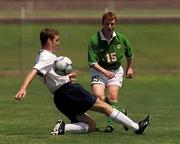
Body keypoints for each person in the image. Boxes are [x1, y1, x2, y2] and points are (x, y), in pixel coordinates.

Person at [15, 28, 150, 135]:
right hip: (69, 91)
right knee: (105, 107)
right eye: (56, 40)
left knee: (91, 125)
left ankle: (63, 128)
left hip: (59, 98)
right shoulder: (47, 57)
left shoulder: (39, 56)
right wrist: (23, 88)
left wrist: (66, 77)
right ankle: (136, 127)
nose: (58, 43)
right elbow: (33, 71)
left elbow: (50, 78)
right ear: (49, 40)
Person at [88, 12, 134, 132]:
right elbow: (92, 62)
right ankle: (121, 111)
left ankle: (110, 125)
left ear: (115, 24)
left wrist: (129, 68)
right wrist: (105, 72)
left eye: (112, 24)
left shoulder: (122, 39)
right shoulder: (94, 40)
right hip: (98, 71)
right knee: (99, 97)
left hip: (116, 71)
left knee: (112, 96)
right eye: (107, 24)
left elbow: (129, 55)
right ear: (102, 23)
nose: (109, 27)